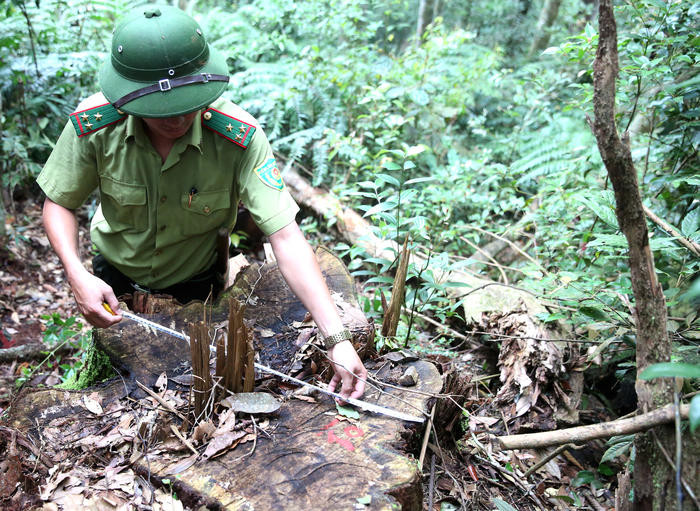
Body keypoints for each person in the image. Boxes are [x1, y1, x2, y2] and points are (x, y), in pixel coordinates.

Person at [37, 5, 366, 401]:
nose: (176, 120)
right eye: (160, 111)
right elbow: (58, 203)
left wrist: (337, 337)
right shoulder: (94, 126)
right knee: (120, 387)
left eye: (186, 103)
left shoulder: (238, 138)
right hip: (115, 275)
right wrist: (76, 273)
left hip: (198, 283)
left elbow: (285, 236)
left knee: (192, 384)